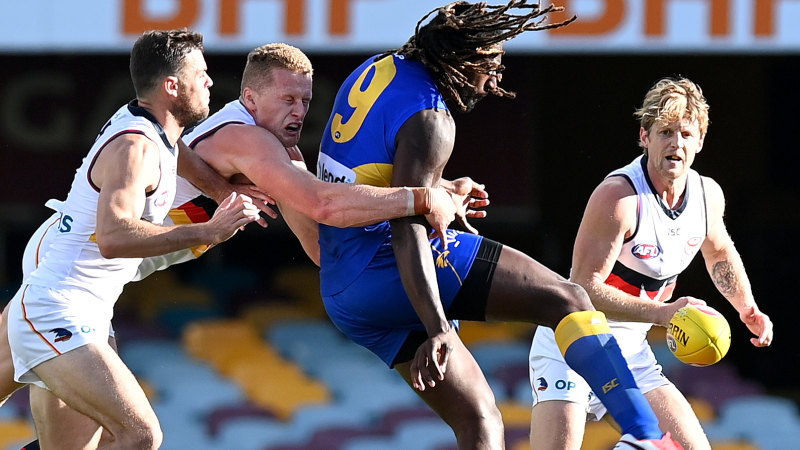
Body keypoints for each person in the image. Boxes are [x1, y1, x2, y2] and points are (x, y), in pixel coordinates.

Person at [1, 42, 475, 449]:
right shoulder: (248, 141)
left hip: (90, 280)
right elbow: (325, 204)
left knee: (85, 439)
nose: (299, 111)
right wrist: (419, 198)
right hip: (71, 266)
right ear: (250, 97)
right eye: (287, 99)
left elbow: (318, 246)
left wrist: (433, 188)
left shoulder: (276, 154)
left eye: (306, 101)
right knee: (131, 433)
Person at [315, 1, 682, 449]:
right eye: (491, 64)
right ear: (464, 57)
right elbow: (406, 229)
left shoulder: (379, 68)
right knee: (568, 299)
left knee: (480, 420)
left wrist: (439, 188)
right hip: (386, 266)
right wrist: (437, 326)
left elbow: (367, 175)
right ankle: (644, 435)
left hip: (342, 287)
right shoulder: (431, 120)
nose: (493, 80)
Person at [3, 28, 265, 449]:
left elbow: (179, 153)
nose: (210, 82)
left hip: (75, 300)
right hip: (57, 304)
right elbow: (113, 236)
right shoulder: (135, 146)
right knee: (140, 434)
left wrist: (222, 191)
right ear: (172, 86)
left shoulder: (157, 130)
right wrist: (209, 230)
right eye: (200, 74)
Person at [527, 77, 774, 450]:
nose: (676, 143)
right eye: (665, 132)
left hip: (630, 349)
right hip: (573, 343)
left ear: (700, 141)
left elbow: (719, 252)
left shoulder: (707, 195)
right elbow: (583, 288)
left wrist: (747, 307)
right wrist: (664, 314)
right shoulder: (618, 197)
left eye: (686, 134)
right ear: (644, 136)